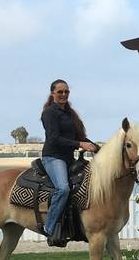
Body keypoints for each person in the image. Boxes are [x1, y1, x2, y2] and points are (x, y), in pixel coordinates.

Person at [41, 79, 97, 245]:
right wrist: (80, 144)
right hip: (53, 157)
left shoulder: (70, 113)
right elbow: (54, 138)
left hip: (68, 158)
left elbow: (79, 137)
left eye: (66, 92)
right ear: (52, 93)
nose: (64, 94)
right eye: (60, 92)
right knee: (63, 189)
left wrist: (98, 148)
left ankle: (79, 226)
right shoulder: (49, 113)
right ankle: (49, 228)